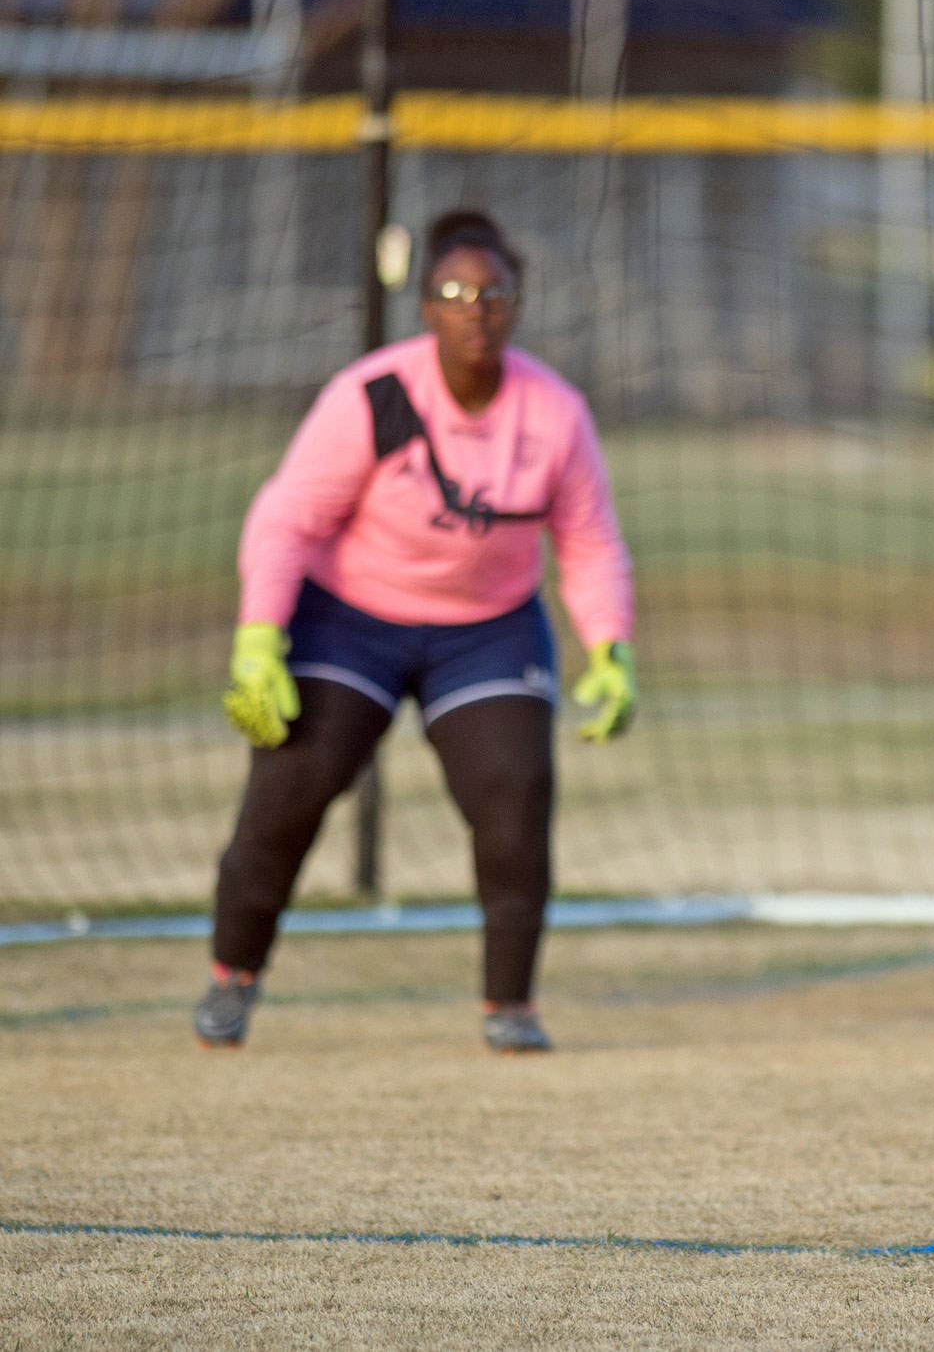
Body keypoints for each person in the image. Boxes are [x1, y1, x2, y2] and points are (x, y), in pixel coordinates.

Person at [197, 209, 637, 1055]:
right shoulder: (376, 396)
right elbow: (287, 517)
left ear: (518, 304)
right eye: (455, 292)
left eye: (495, 292)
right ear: (427, 308)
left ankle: (509, 1005)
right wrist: (260, 638)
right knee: (293, 787)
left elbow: (589, 542)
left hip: (488, 630)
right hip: (349, 618)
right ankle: (232, 976)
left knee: (515, 793)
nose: (477, 308)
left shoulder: (555, 414)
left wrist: (611, 648)